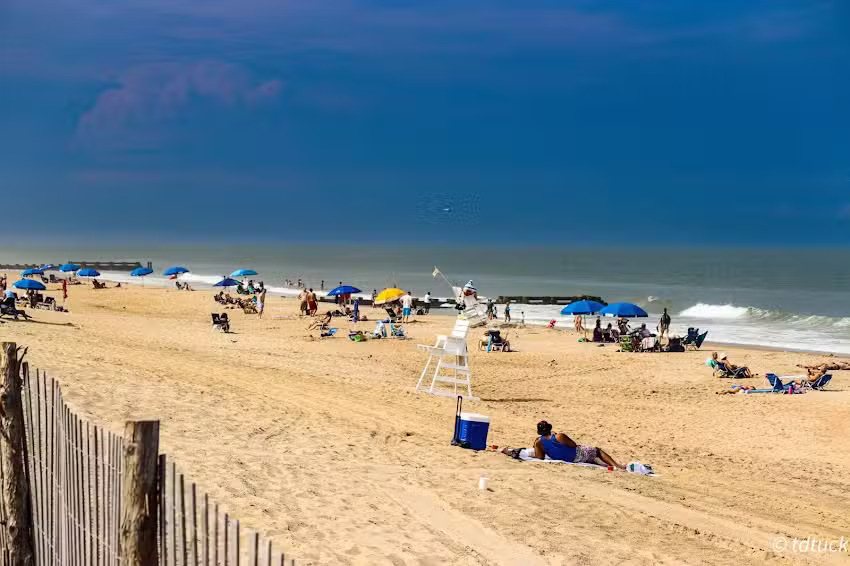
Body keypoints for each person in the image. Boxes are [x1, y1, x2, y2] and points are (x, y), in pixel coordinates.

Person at [533, 421, 625, 469]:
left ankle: (598, 461)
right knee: (597, 451)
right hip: (575, 456)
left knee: (589, 454)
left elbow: (539, 457)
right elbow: (573, 445)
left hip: (563, 458)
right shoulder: (559, 436)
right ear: (549, 429)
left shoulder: (538, 442)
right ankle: (617, 466)